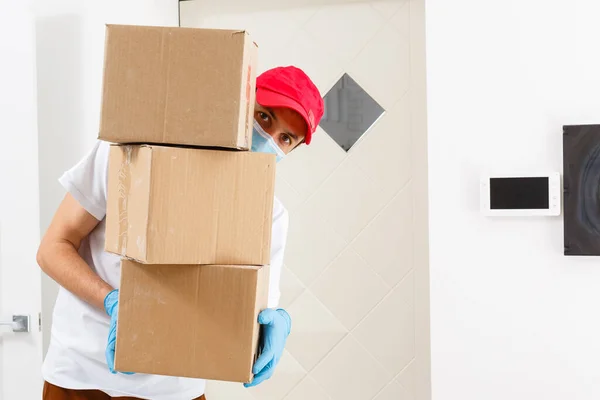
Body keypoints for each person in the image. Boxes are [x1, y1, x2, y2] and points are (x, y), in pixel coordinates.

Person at [37, 65, 325, 400]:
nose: (268, 140)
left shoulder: (269, 216)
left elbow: (252, 311)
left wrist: (275, 323)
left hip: (176, 388)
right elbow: (53, 248)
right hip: (81, 376)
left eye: (285, 139)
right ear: (239, 105)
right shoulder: (131, 154)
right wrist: (113, 301)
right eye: (263, 117)